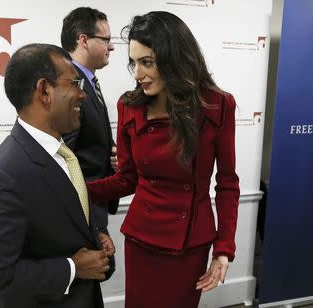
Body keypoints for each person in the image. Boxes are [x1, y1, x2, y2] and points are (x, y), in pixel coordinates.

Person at [87, 11, 240, 308]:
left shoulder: (217, 105)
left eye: (147, 62)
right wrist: (78, 188)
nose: (138, 74)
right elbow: (127, 178)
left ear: (175, 58)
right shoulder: (128, 105)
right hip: (142, 238)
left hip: (189, 245)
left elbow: (227, 183)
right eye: (134, 63)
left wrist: (224, 249)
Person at [0, 43, 115, 308]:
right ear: (45, 90)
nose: (82, 95)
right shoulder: (3, 173)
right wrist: (72, 268)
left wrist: (95, 236)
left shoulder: (65, 154)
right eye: (74, 83)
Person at [60, 7, 119, 260]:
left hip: (94, 207)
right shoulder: (69, 86)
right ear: (83, 40)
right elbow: (65, 161)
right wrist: (94, 225)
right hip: (80, 216)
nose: (112, 47)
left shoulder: (88, 82)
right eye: (106, 39)